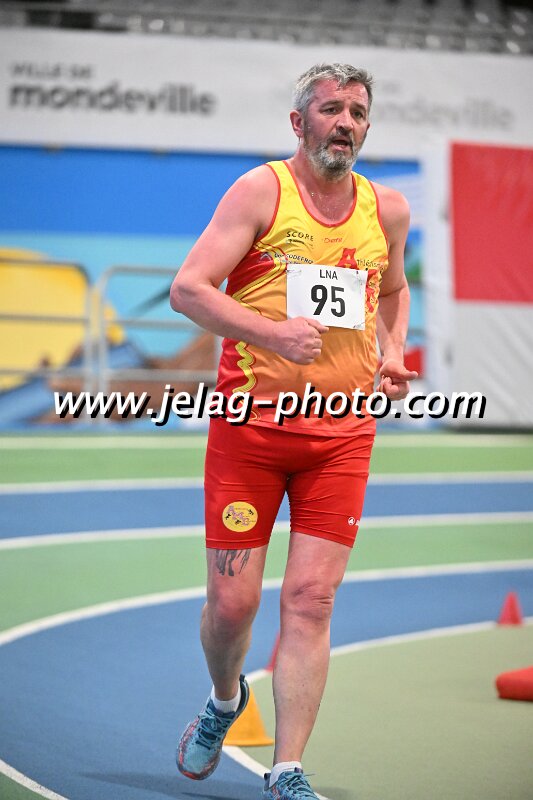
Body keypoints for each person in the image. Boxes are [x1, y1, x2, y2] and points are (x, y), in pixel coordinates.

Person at [170, 62, 417, 799]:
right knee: (232, 606)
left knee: (311, 600)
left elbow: (393, 289)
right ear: (298, 121)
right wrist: (271, 333)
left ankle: (286, 770)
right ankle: (224, 702)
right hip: (251, 429)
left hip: (341, 434)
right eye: (332, 109)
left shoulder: (388, 210)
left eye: (358, 113)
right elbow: (188, 289)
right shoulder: (260, 191)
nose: (346, 123)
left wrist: (393, 351)